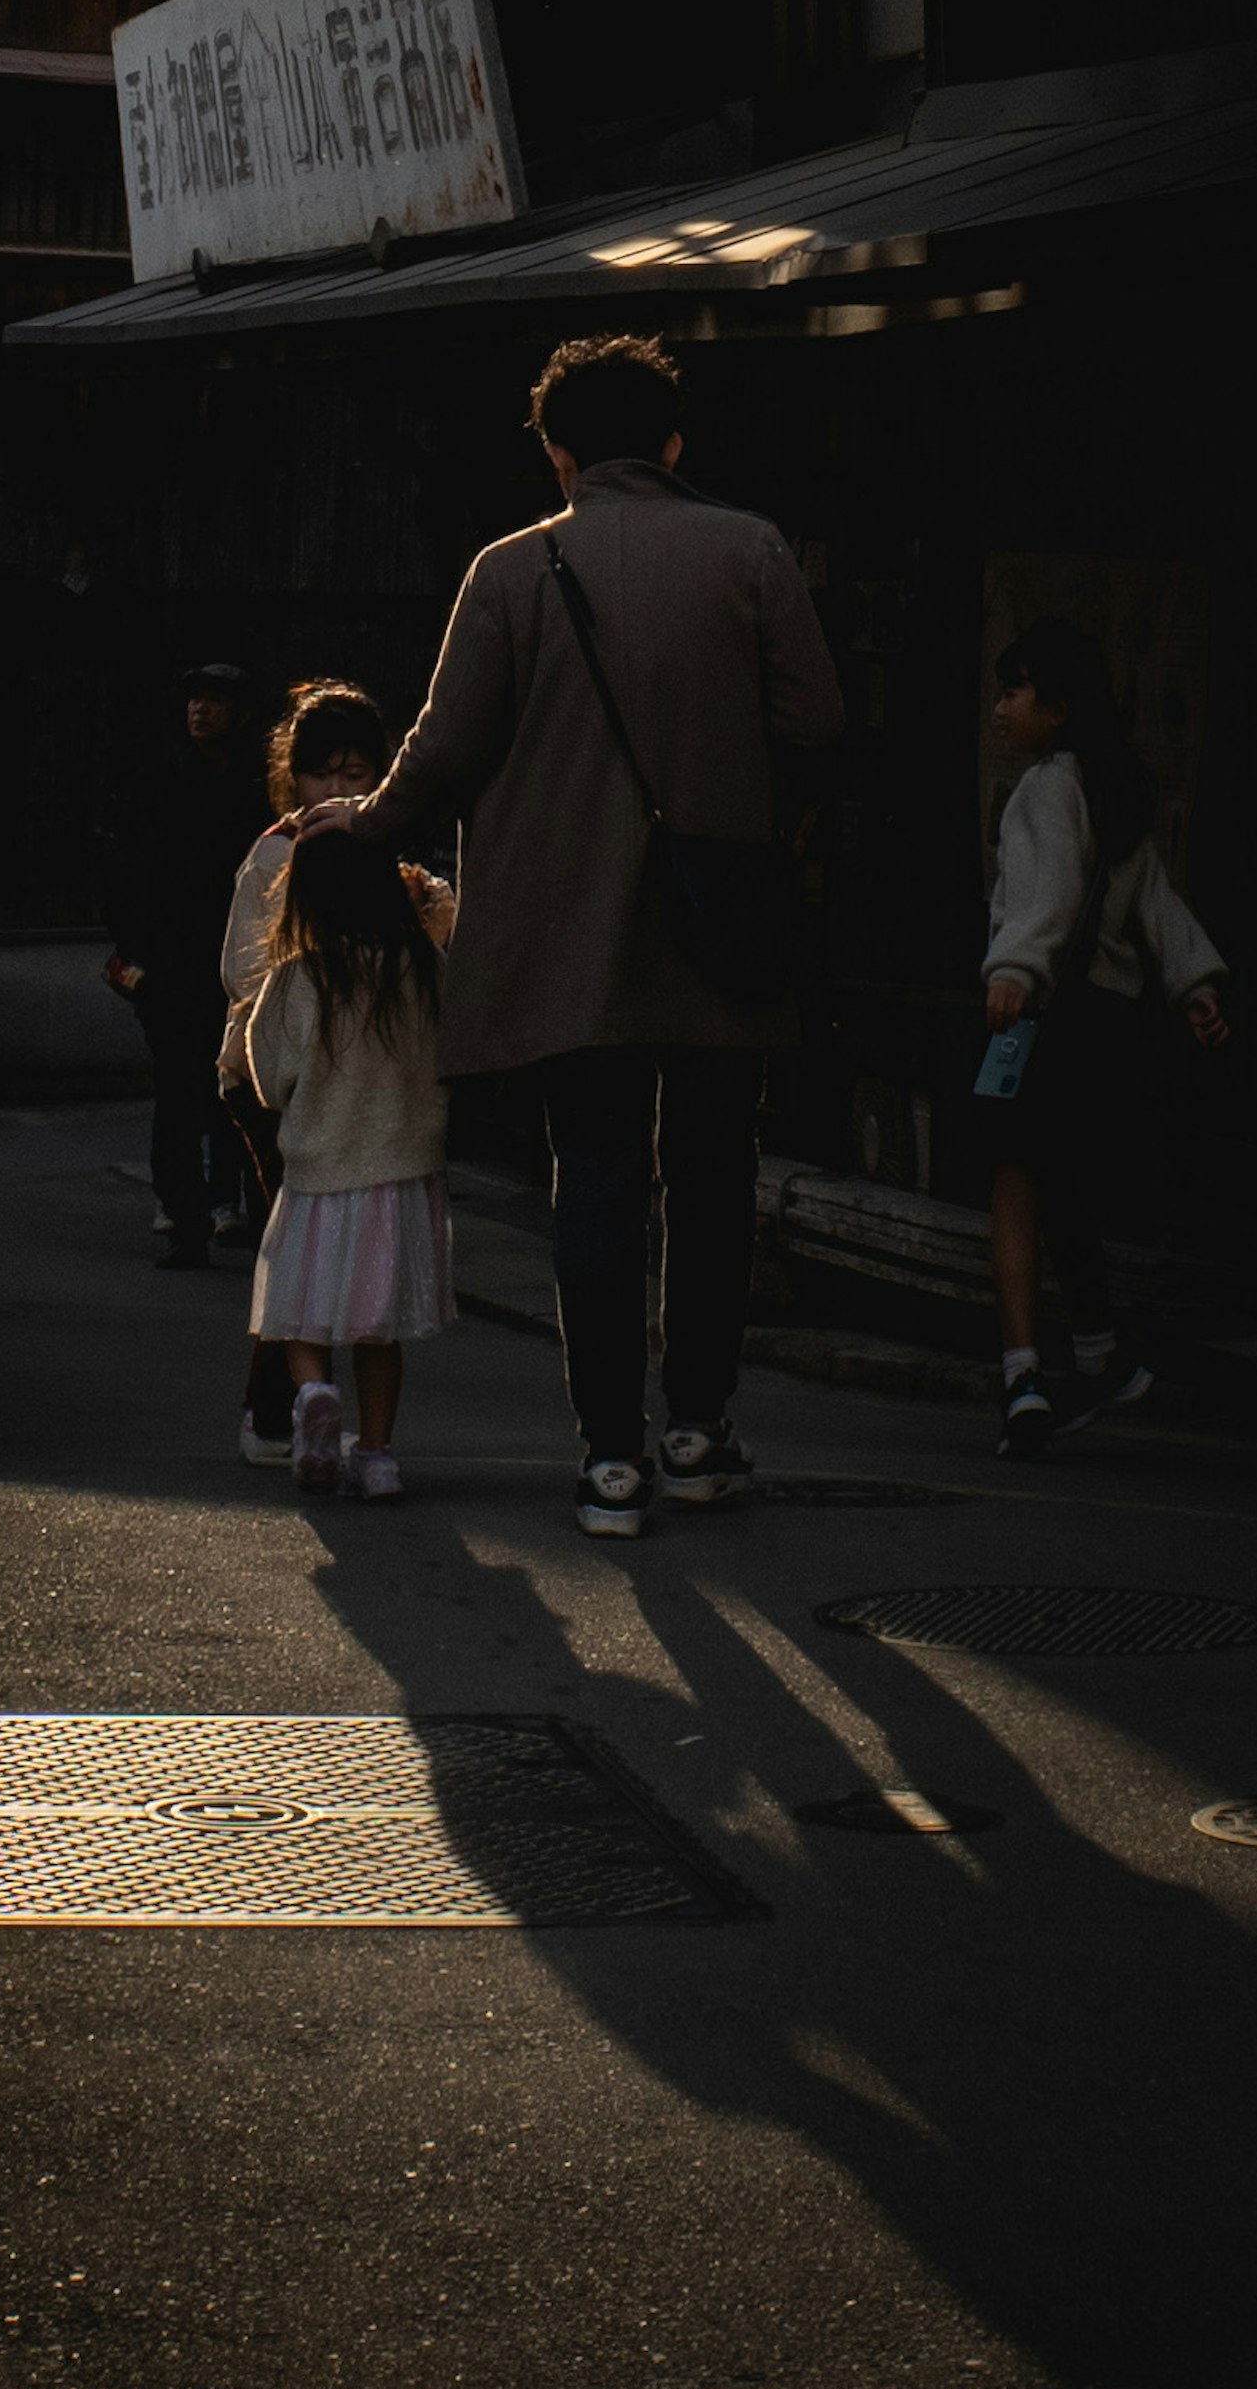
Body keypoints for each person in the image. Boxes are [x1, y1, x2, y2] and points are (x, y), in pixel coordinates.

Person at [296, 331, 846, 1540]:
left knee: (594, 1177)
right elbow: (818, 717)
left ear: (556, 453)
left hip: (566, 937)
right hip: (717, 925)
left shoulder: (511, 570)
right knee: (711, 1180)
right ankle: (698, 1427)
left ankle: (609, 1458)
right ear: (673, 442)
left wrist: (366, 819)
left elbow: (443, 748)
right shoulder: (748, 550)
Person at [978, 615, 1230, 1454]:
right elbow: (1157, 905)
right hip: (1109, 1024)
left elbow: (1046, 893)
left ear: (1055, 706)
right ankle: (1100, 1354)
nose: (1000, 710)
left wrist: (1014, 967)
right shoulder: (1118, 789)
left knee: (1015, 1185)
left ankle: (1021, 1374)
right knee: (1066, 1187)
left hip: (1046, 1016)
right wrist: (1194, 982)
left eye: (1013, 692)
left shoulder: (1048, 786)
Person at [219, 683, 449, 1472]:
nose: (343, 790)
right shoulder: (414, 961)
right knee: (376, 1315)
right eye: (327, 774)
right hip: (393, 1154)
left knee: (301, 1283)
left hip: (316, 1140)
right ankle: (369, 1449)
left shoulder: (304, 970)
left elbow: (269, 1061)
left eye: (359, 772)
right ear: (296, 777)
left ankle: (302, 1402)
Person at [104, 659, 272, 1269]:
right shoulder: (163, 781)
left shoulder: (256, 788)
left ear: (241, 713)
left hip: (239, 961)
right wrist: (137, 953)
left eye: (215, 701)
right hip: (174, 960)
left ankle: (237, 1208)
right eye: (195, 699)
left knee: (240, 1090)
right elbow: (127, 872)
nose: (201, 710)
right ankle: (187, 1216)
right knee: (179, 1091)